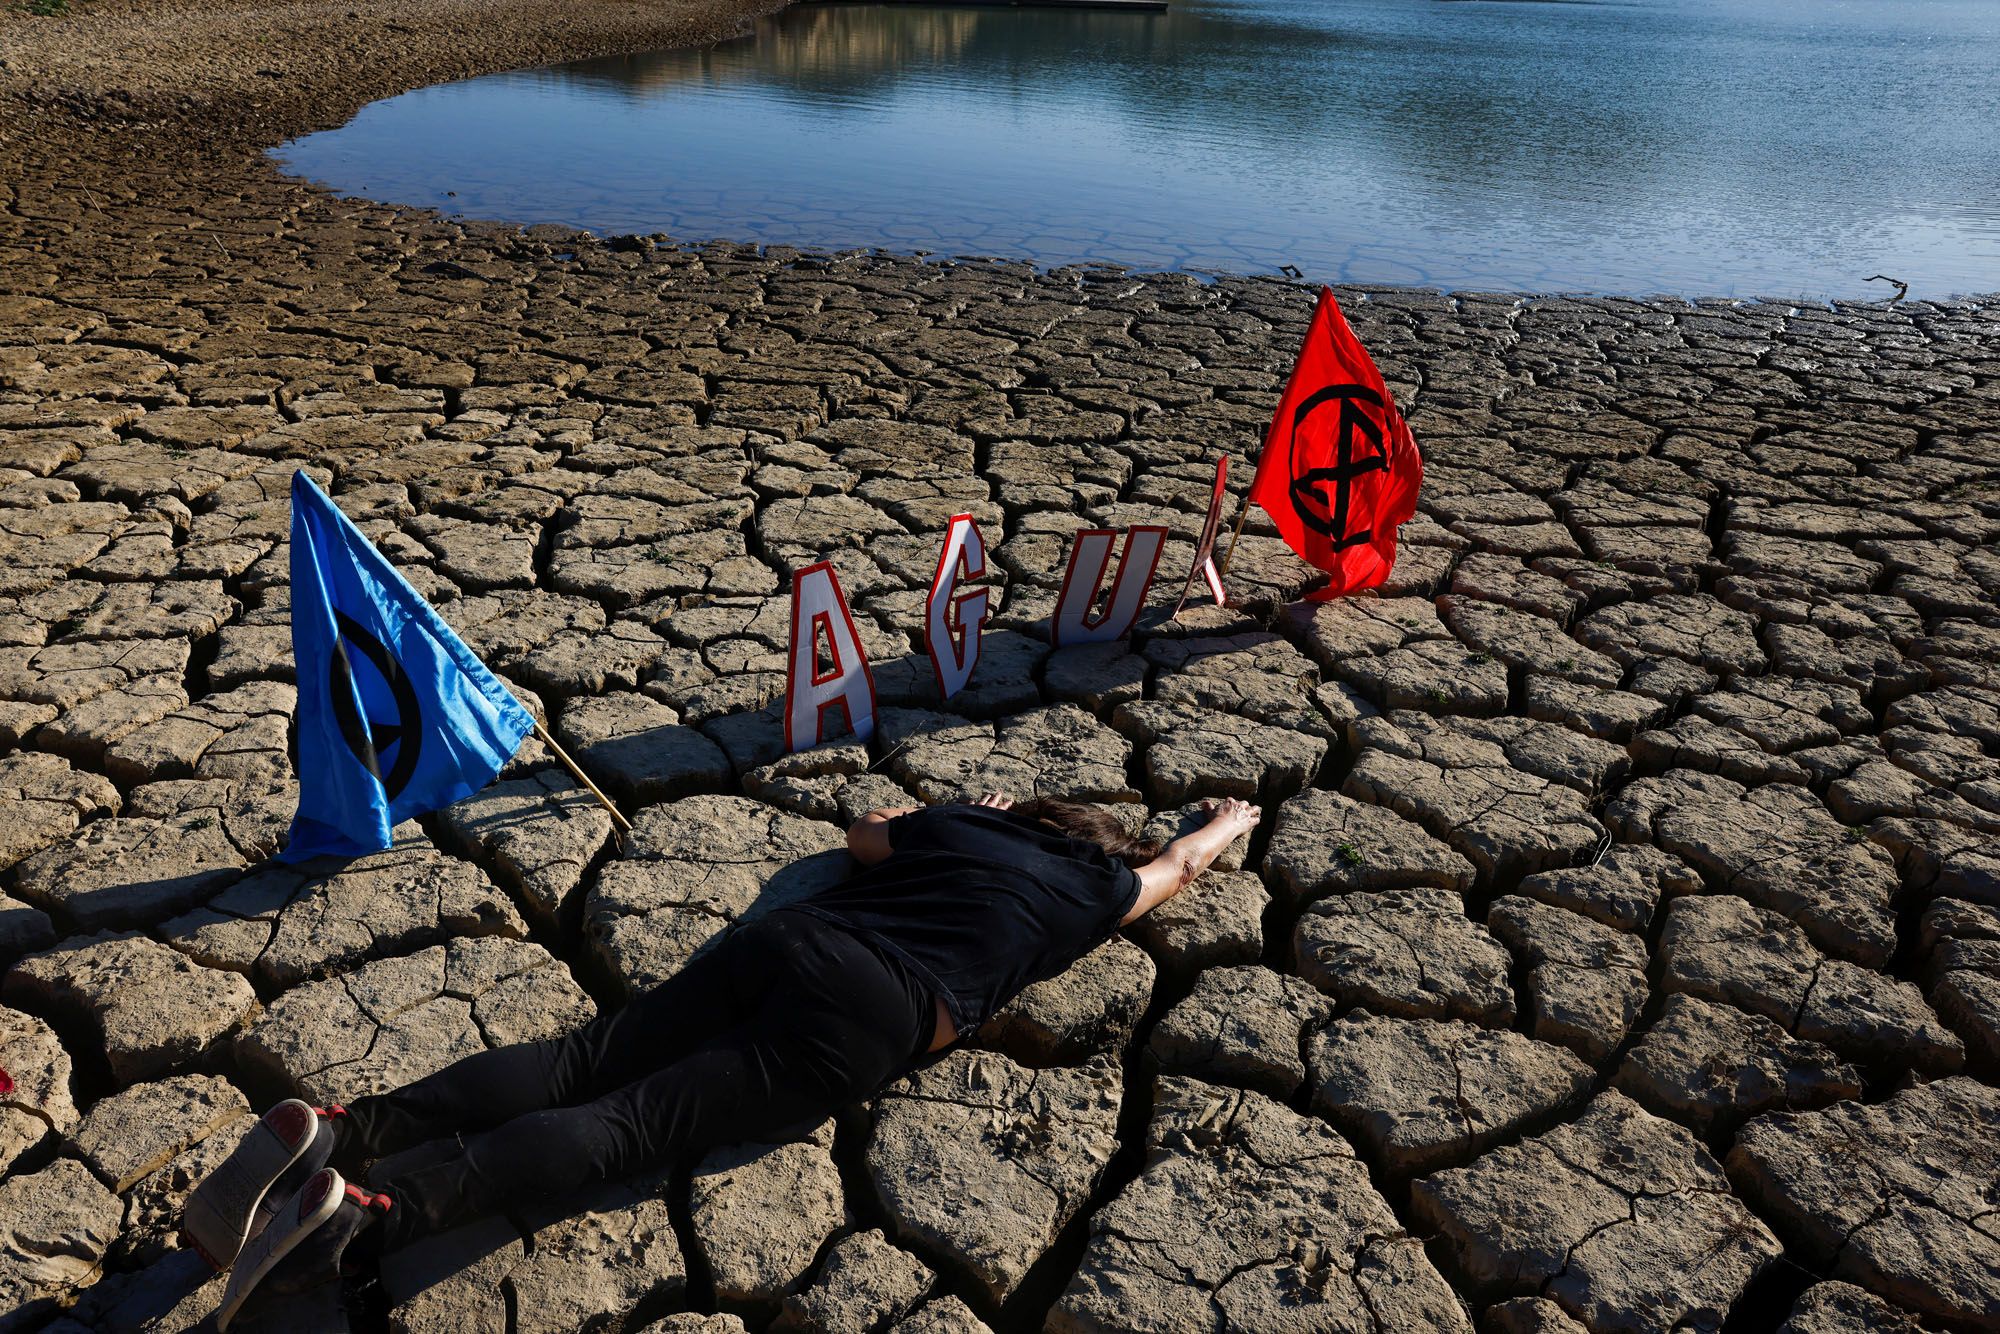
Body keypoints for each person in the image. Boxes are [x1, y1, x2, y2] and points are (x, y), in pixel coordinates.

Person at [189, 790, 1261, 1328]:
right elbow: (1177, 862)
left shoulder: (973, 824)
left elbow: (863, 834)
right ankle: (367, 1217)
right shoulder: (1093, 891)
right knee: (631, 1124)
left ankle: (336, 1129)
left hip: (796, 939)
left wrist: (940, 817)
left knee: (582, 1058)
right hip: (873, 1012)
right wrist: (1222, 822)